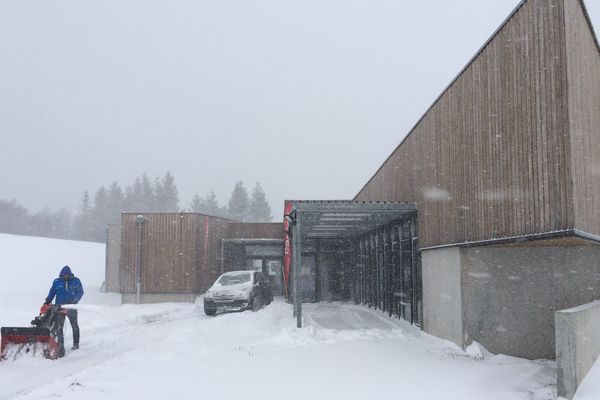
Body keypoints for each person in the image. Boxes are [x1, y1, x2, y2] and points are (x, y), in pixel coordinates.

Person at [45, 265, 84, 355]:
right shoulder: (57, 282)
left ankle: (76, 344)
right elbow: (52, 292)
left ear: (70, 275)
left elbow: (80, 292)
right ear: (61, 275)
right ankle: (60, 345)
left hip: (71, 307)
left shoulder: (76, 281)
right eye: (64, 275)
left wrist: (75, 300)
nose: (66, 277)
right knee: (59, 327)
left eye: (67, 275)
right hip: (59, 307)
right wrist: (47, 301)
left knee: (74, 326)